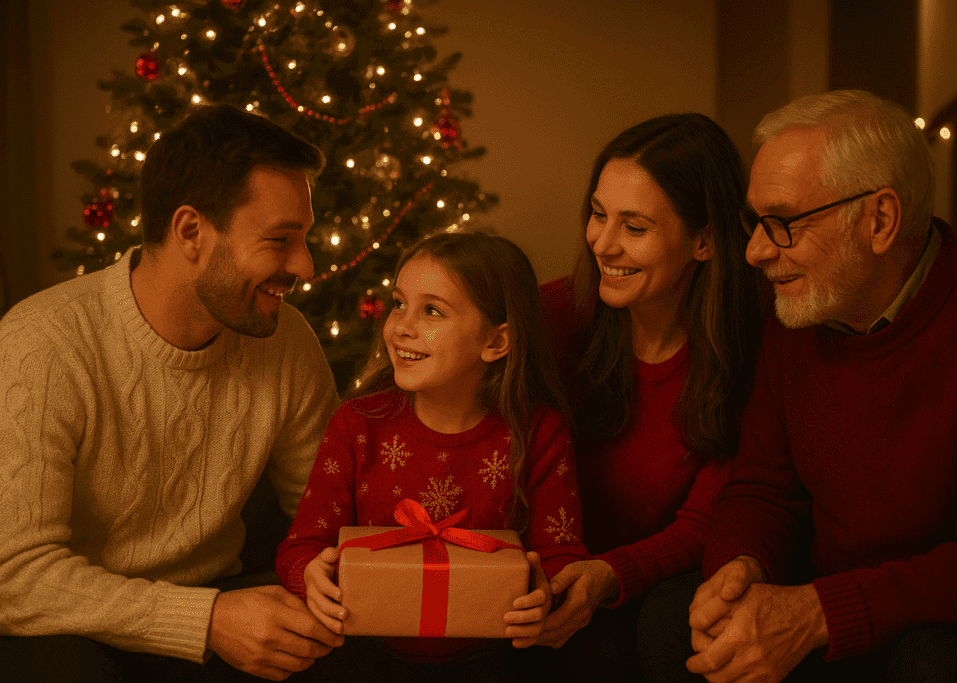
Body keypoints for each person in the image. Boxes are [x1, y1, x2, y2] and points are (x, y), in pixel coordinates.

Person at [638, 90, 957, 683]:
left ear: (880, 220)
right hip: (831, 603)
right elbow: (765, 488)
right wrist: (738, 569)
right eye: (753, 221)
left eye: (783, 223)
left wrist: (818, 614)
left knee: (939, 665)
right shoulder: (798, 312)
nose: (755, 251)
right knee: (675, 619)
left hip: (949, 620)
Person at [0, 103, 346, 681]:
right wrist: (206, 620)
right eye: (281, 239)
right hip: (78, 631)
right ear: (190, 231)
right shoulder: (42, 345)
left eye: (304, 239)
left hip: (228, 597)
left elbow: (334, 513)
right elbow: (15, 574)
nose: (305, 267)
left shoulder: (285, 340)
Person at [275, 231, 590, 682]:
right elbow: (301, 544)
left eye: (433, 311)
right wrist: (309, 576)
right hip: (364, 650)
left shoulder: (538, 432)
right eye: (399, 303)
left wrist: (545, 593)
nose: (401, 326)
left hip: (493, 657)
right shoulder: (357, 424)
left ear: (497, 342)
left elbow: (562, 554)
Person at [533, 114, 764, 680]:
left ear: (704, 240)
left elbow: (708, 520)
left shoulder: (753, 351)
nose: (602, 244)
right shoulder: (557, 317)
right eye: (597, 214)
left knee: (671, 625)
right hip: (552, 574)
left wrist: (610, 575)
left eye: (634, 227)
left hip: (663, 583)